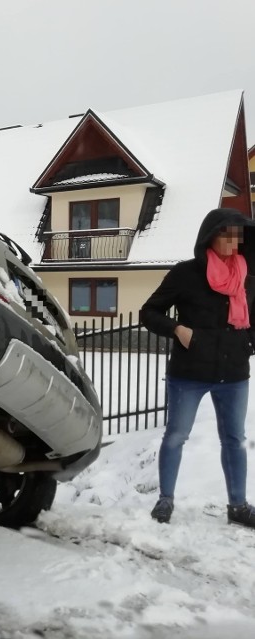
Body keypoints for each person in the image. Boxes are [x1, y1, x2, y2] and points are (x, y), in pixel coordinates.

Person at [140, 208, 255, 528]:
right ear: (210, 235)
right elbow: (149, 312)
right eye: (226, 233)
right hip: (188, 374)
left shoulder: (246, 276)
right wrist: (178, 329)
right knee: (176, 436)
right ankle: (165, 499)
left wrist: (248, 345)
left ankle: (238, 505)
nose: (233, 241)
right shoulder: (185, 273)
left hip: (234, 376)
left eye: (238, 234)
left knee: (234, 439)